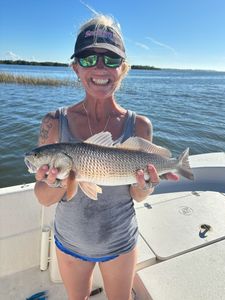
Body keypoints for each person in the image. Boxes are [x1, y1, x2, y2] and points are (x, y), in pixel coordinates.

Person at [34, 14, 178, 300]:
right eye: (88, 59)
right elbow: (43, 197)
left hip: (120, 241)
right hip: (70, 241)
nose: (100, 67)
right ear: (75, 68)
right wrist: (58, 180)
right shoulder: (54, 121)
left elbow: (138, 195)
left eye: (111, 60)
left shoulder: (140, 126)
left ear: (122, 69)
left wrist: (145, 184)